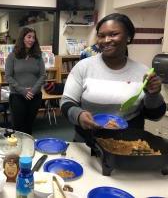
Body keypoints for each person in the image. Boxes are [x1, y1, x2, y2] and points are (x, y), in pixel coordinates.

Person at [60, 13, 166, 143]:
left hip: (128, 144)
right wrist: (78, 115)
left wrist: (153, 95)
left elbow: (155, 116)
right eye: (101, 36)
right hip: (88, 142)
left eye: (113, 34)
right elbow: (66, 102)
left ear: (128, 37)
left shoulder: (143, 72)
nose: (106, 40)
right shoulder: (83, 67)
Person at [5, 27, 46, 134]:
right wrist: (23, 91)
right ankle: (17, 150)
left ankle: (27, 149)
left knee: (29, 127)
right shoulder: (12, 56)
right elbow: (8, 76)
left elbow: (43, 75)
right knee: (18, 128)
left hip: (35, 97)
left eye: (33, 38)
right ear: (22, 38)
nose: (31, 40)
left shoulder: (38, 56)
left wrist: (32, 91)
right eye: (29, 37)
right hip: (17, 97)